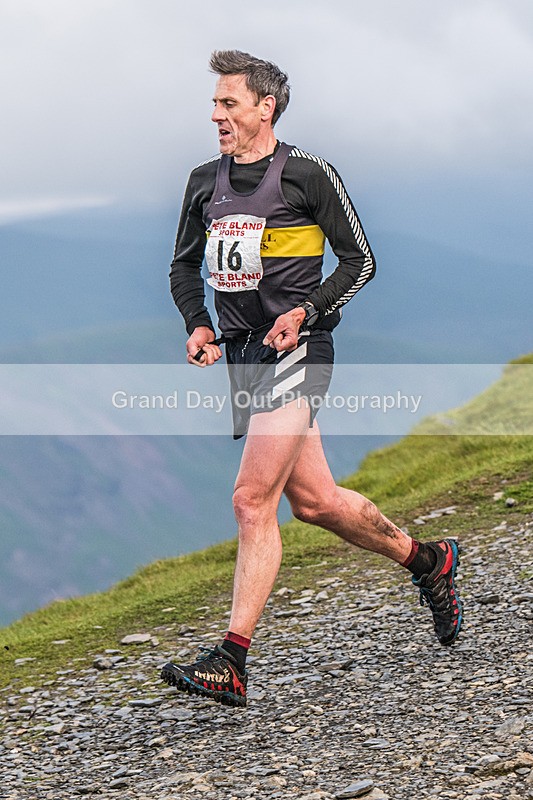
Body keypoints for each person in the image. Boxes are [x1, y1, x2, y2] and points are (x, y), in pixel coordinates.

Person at [161, 50, 463, 708]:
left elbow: (359, 260)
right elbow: (184, 268)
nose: (216, 114)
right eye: (214, 104)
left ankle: (231, 659)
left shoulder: (306, 174)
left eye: (228, 103)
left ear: (264, 107)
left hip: (299, 350)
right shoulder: (200, 183)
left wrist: (307, 312)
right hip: (243, 355)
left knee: (250, 501)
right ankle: (427, 560)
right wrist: (199, 323)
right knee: (317, 503)